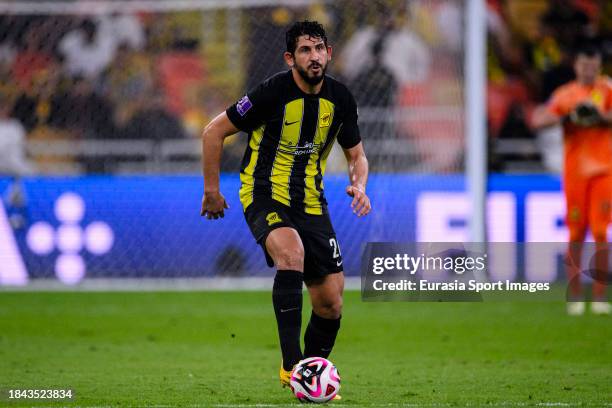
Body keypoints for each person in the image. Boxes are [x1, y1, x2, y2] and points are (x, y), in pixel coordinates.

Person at [200, 20, 371, 397]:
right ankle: (292, 366)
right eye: (305, 51)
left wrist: (359, 184)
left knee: (331, 303)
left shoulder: (340, 99)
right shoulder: (271, 93)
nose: (314, 57)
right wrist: (211, 191)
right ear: (290, 58)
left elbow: (357, 155)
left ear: (330, 53)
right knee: (290, 253)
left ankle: (310, 375)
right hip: (265, 194)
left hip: (311, 202)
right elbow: (213, 131)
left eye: (319, 49)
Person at [532, 45, 612, 315]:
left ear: (598, 66)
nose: (589, 70)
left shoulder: (608, 89)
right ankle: (575, 295)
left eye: (593, 65)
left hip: (603, 172)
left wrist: (600, 118)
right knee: (576, 232)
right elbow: (539, 119)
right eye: (584, 65)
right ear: (576, 66)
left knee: (601, 232)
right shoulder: (566, 94)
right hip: (575, 174)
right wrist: (568, 116)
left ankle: (600, 297)